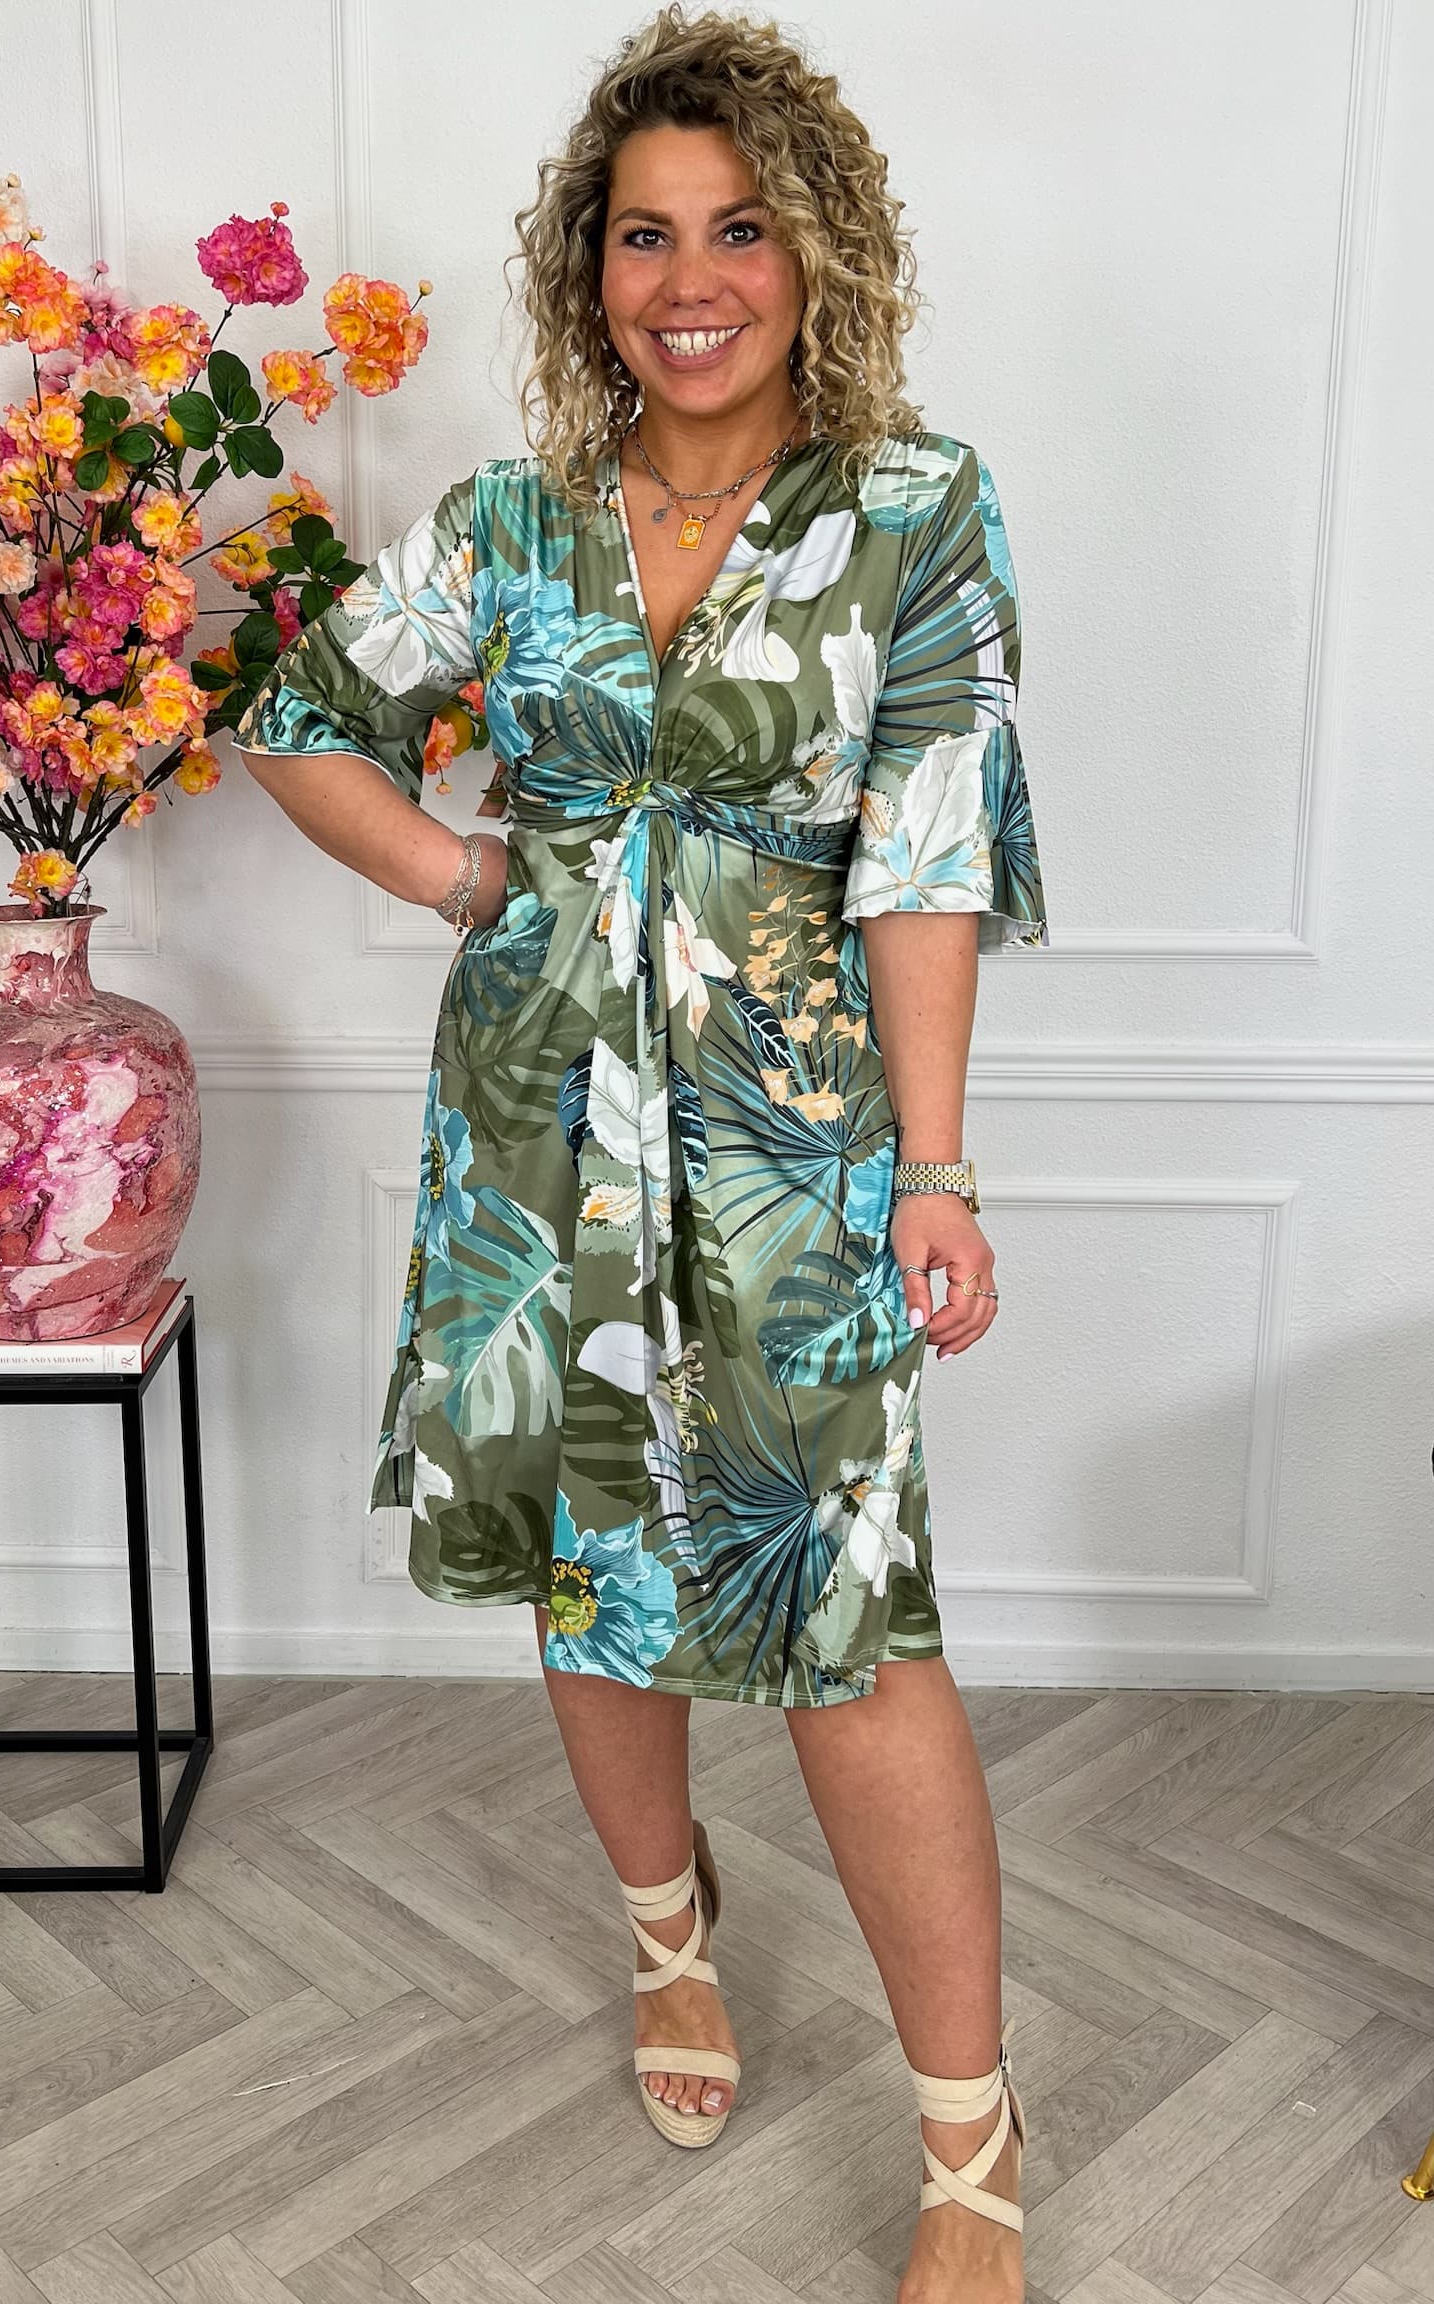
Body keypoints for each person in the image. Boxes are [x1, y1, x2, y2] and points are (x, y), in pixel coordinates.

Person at [236, 8, 1046, 2296]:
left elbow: (927, 858)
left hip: (798, 1142)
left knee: (849, 1619)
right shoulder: (510, 523)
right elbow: (301, 716)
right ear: (588, 269)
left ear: (817, 254)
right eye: (642, 235)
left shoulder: (917, 510)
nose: (689, 280)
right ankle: (667, 1937)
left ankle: (970, 2147)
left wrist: (937, 1169)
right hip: (533, 1120)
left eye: (739, 230)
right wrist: (464, 876)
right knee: (594, 1563)